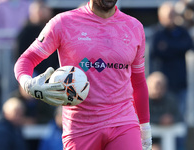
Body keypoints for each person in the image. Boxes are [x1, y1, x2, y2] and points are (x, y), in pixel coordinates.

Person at [14, 0, 152, 149]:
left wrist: (145, 127)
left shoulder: (134, 27)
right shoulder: (63, 22)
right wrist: (27, 83)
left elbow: (138, 82)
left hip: (123, 122)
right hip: (80, 127)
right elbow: (27, 59)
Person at [149, 1, 193, 117]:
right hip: (162, 87)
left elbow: (188, 45)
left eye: (173, 14)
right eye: (168, 15)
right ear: (161, 16)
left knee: (180, 118)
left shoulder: (182, 32)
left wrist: (168, 47)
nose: (171, 18)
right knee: (161, 119)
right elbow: (154, 52)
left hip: (180, 84)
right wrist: (178, 48)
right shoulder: (156, 34)